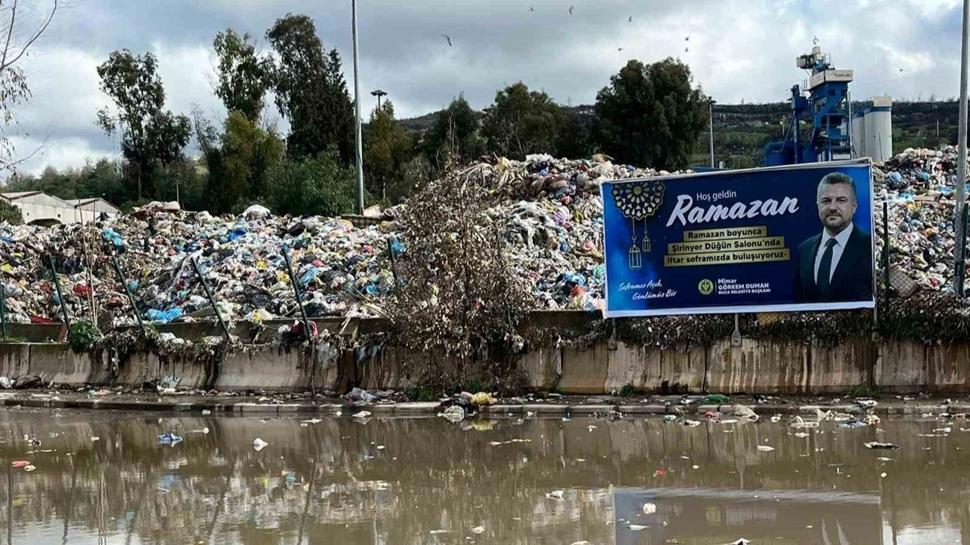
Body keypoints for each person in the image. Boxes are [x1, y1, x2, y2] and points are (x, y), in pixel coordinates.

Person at [794, 172, 872, 302]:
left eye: (841, 200)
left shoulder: (870, 248)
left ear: (854, 206)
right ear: (817, 205)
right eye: (826, 200)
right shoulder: (804, 250)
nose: (832, 207)